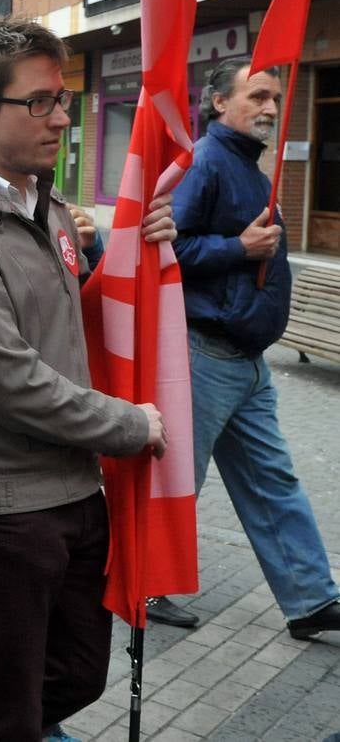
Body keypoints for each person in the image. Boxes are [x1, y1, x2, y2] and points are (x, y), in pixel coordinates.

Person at [0, 19, 171, 742]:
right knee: (8, 713)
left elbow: (69, 325)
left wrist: (135, 246)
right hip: (3, 511)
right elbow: (9, 383)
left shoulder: (44, 204)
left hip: (77, 492)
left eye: (64, 101)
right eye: (40, 102)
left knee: (78, 675)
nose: (60, 119)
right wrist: (131, 425)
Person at [146, 58, 340, 638]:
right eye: (257, 96)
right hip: (204, 357)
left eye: (276, 99)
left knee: (273, 481)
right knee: (179, 480)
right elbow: (165, 252)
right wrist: (238, 248)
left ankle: (310, 601)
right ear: (217, 103)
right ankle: (146, 588)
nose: (271, 109)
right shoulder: (205, 163)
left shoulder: (254, 170)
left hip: (247, 364)